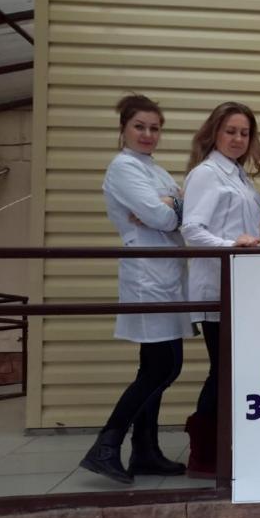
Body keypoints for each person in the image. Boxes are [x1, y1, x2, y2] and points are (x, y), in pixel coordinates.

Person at [81, 94, 190, 484]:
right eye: (139, 127)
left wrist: (170, 206)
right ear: (124, 129)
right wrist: (170, 208)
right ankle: (106, 446)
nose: (147, 134)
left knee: (156, 366)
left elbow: (178, 211)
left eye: (154, 128)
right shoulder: (123, 168)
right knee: (163, 366)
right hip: (147, 278)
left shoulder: (154, 170)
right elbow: (163, 217)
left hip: (167, 276)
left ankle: (145, 450)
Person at [181, 101, 260, 476]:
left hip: (239, 286)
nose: (237, 139)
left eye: (244, 133)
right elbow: (192, 229)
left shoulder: (239, 175)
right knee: (222, 369)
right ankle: (203, 453)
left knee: (231, 368)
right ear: (214, 132)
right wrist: (230, 246)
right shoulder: (207, 174)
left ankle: (224, 445)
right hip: (216, 286)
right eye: (230, 131)